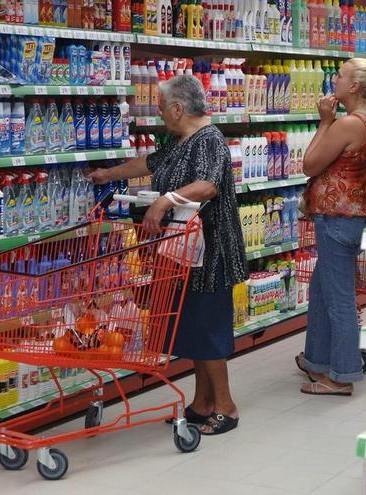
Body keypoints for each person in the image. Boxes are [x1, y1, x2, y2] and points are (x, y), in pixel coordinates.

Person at [88, 74, 247, 435]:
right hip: (186, 250)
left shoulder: (210, 140)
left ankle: (226, 406)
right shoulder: (183, 141)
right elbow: (149, 164)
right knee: (192, 324)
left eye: (162, 109)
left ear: (178, 108)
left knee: (207, 328)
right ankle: (203, 402)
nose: (160, 116)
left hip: (211, 251)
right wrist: (107, 174)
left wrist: (166, 199)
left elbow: (208, 185)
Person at [295, 59, 366, 396]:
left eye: (339, 75)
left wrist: (324, 122)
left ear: (353, 87)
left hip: (338, 219)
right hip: (360, 216)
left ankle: (342, 375)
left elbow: (309, 164)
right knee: (321, 292)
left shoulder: (348, 124)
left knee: (338, 300)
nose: (334, 79)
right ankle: (317, 360)